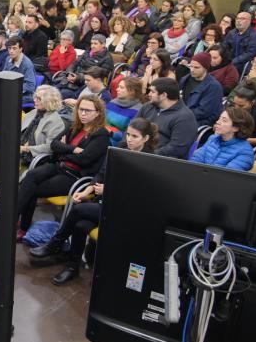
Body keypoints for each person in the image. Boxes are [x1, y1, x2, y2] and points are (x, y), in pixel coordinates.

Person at [30, 118, 157, 285]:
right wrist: (85, 192)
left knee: (78, 210)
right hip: (107, 203)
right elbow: (101, 174)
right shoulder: (120, 148)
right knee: (80, 225)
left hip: (128, 211)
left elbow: (140, 194)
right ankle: (72, 267)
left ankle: (55, 243)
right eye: (128, 135)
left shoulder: (151, 161)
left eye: (135, 136)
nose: (129, 140)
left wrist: (109, 189)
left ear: (146, 139)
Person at [17, 95, 110, 238]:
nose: (83, 113)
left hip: (73, 176)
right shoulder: (75, 127)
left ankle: (19, 225)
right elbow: (54, 144)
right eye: (80, 109)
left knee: (32, 189)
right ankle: (15, 221)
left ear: (98, 113)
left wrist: (64, 149)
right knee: (30, 176)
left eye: (88, 110)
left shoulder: (101, 135)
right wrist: (72, 149)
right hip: (59, 166)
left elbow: (84, 160)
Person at [0, 85, 65, 199]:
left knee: (1, 161)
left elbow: (50, 147)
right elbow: (20, 131)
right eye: (35, 97)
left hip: (36, 156)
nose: (34, 100)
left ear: (49, 101)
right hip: (20, 148)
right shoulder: (33, 113)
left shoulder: (56, 122)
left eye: (39, 99)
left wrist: (26, 148)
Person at [136, 78, 197, 158]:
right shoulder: (148, 107)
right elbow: (132, 127)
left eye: (152, 92)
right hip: (139, 153)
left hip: (162, 161)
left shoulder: (184, 117)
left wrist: (149, 155)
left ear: (164, 95)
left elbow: (176, 149)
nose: (149, 94)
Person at [191, 107, 255, 170]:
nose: (217, 122)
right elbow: (195, 162)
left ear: (236, 128)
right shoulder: (213, 138)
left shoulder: (245, 153)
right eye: (219, 118)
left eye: (224, 120)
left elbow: (226, 177)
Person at [179, 52, 223, 127]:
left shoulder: (213, 87)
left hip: (200, 122)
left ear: (205, 68)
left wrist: (181, 116)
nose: (192, 70)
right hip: (184, 116)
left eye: (196, 67)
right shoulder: (185, 79)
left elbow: (203, 111)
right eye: (191, 66)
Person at [106, 77, 144, 144]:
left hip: (118, 144)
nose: (117, 89)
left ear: (132, 91)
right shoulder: (112, 103)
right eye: (118, 86)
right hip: (102, 136)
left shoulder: (138, 110)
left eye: (121, 87)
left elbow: (132, 136)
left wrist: (112, 133)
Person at [230, 80, 256, 146]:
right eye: (235, 104)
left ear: (252, 103)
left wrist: (245, 140)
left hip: (247, 144)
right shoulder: (231, 107)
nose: (236, 108)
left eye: (241, 106)